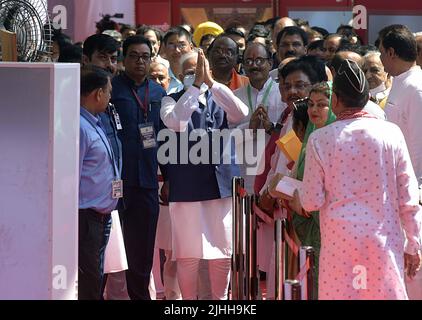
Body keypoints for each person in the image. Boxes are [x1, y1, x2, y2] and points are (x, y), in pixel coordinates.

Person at [287, 59, 422, 299]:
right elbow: (408, 197)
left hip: (341, 244)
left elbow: (311, 202)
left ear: (335, 101)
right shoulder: (391, 133)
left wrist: (296, 196)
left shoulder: (321, 139)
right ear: (366, 99)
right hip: (381, 241)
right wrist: (413, 243)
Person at [160, 50, 249, 300]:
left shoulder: (219, 96)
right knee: (188, 252)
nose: (197, 74)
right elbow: (176, 122)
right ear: (179, 75)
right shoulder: (171, 99)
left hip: (220, 185)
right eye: (191, 71)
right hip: (186, 186)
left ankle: (219, 301)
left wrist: (210, 83)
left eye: (201, 69)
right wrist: (196, 85)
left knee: (222, 249)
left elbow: (240, 113)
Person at [111, 35, 167, 300]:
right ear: (124, 59)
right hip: (115, 182)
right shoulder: (112, 88)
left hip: (146, 182)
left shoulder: (158, 93)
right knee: (108, 248)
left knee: (142, 251)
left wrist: (168, 179)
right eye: (133, 56)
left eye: (145, 57)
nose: (139, 61)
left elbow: (167, 140)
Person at [82, 33, 128, 300]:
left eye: (113, 59)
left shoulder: (101, 114)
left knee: (100, 273)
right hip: (85, 214)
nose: (110, 64)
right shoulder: (79, 121)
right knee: (89, 280)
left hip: (105, 208)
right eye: (103, 57)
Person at [379, 25, 422, 299]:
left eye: (381, 52)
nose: (380, 59)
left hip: (411, 195)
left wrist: (413, 193)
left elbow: (418, 145)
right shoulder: (401, 83)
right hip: (396, 193)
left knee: (413, 271)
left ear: (391, 52)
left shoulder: (416, 88)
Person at [163, 27, 194, 94]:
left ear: (191, 47)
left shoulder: (198, 78)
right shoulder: (160, 79)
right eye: (171, 45)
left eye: (182, 45)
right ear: (164, 48)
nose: (177, 50)